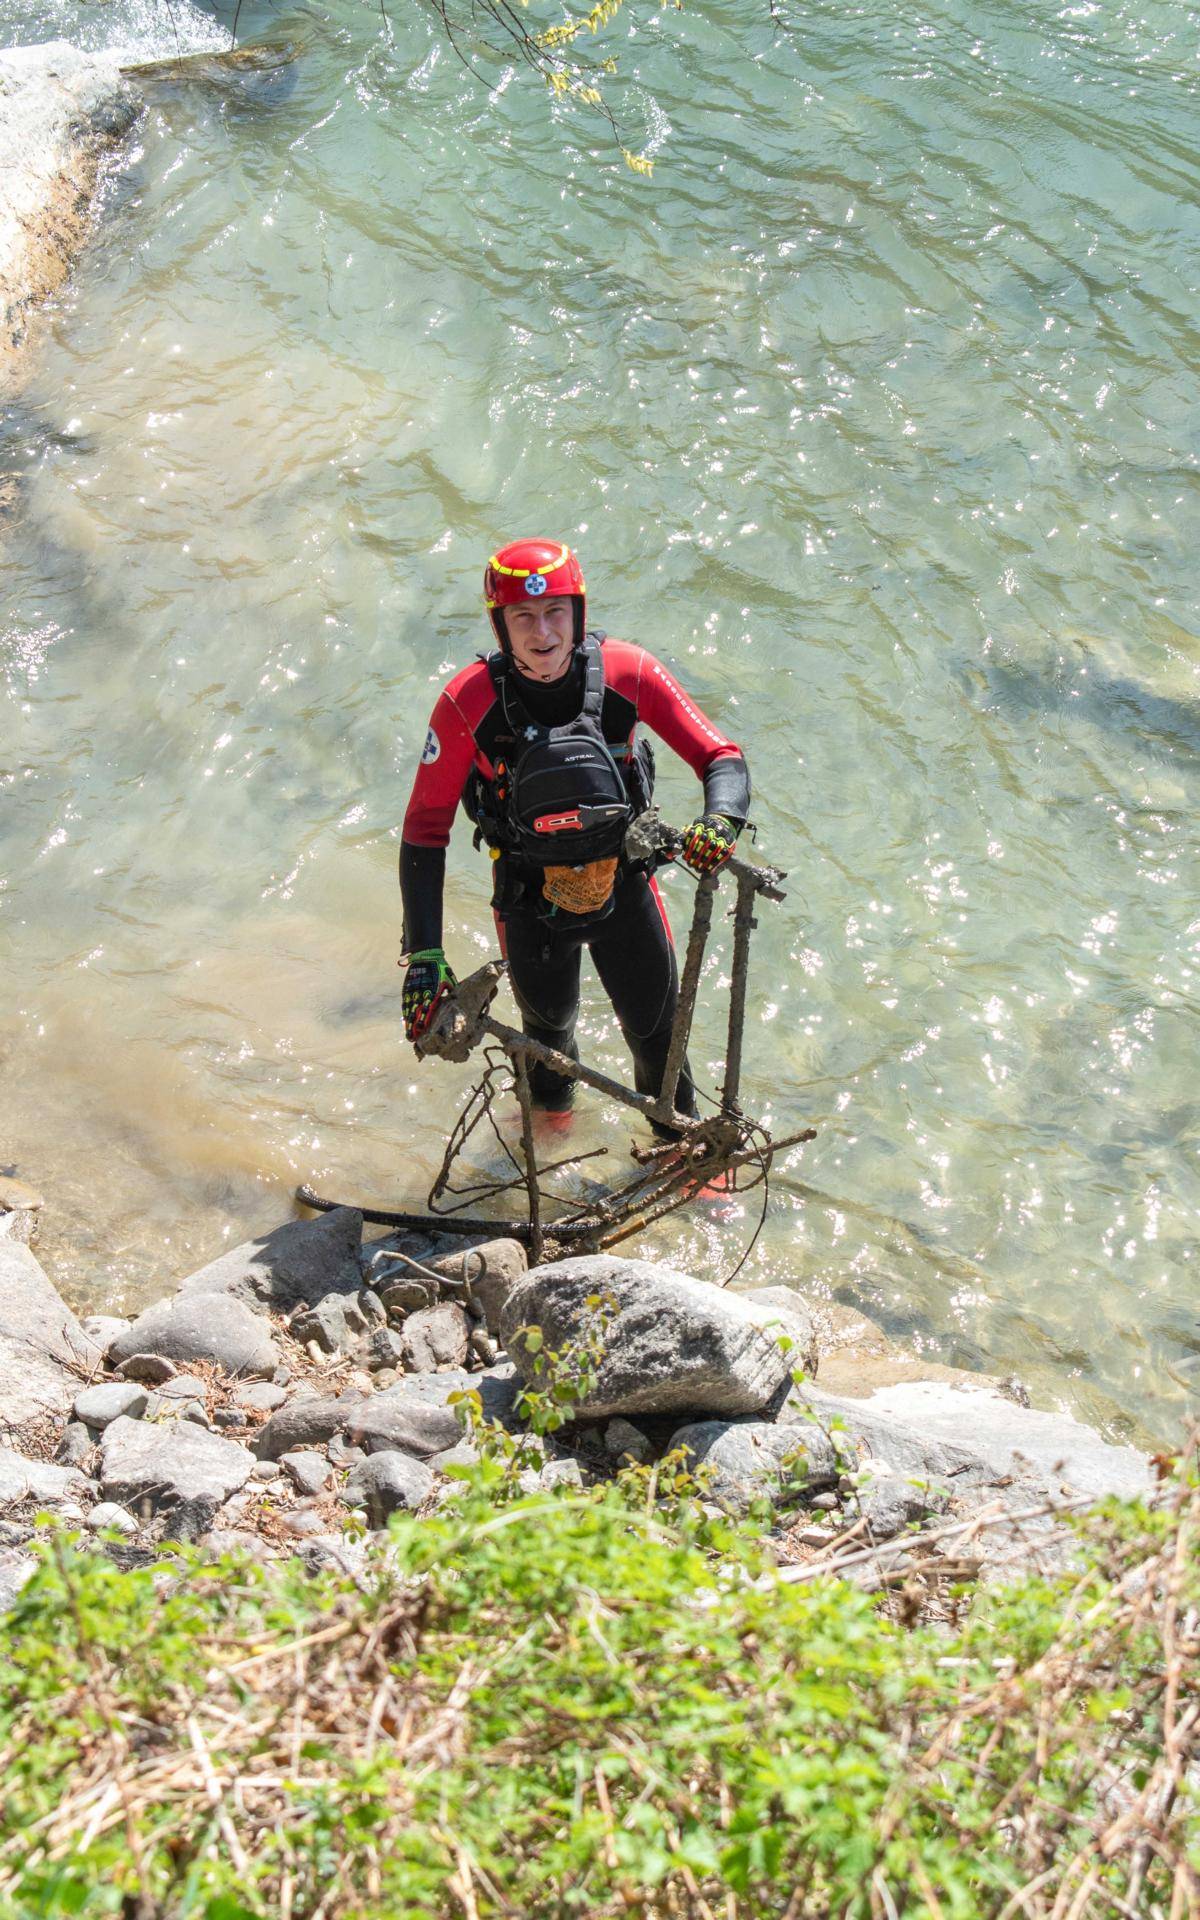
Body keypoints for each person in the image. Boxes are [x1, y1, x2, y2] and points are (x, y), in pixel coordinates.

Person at [399, 537, 751, 1131]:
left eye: (556, 611)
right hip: (527, 902)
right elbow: (424, 829)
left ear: (578, 613)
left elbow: (722, 758)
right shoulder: (467, 702)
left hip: (626, 887)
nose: (544, 633)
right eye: (524, 617)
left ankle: (685, 1168)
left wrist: (718, 821)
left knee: (658, 1042)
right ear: (500, 626)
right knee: (547, 1039)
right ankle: (552, 1156)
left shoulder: (628, 672)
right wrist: (426, 955)